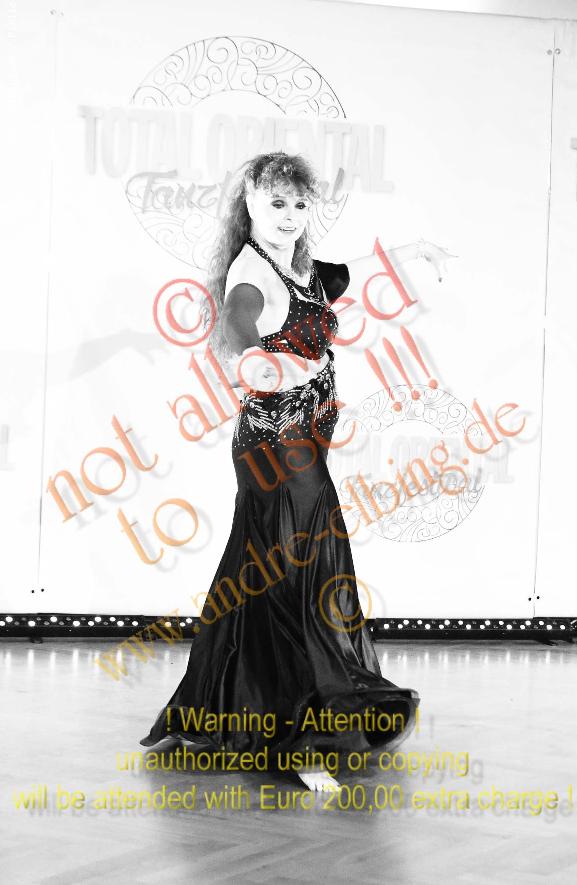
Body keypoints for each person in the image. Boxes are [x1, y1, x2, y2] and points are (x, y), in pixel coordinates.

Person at [140, 151, 449, 792]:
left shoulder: (295, 266)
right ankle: (303, 737)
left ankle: (223, 708)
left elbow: (342, 274)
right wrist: (257, 363)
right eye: (276, 203)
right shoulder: (251, 273)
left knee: (266, 574)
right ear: (250, 203)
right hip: (278, 449)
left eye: (300, 205)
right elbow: (238, 324)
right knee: (301, 576)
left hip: (303, 442)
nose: (289, 217)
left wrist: (413, 250)